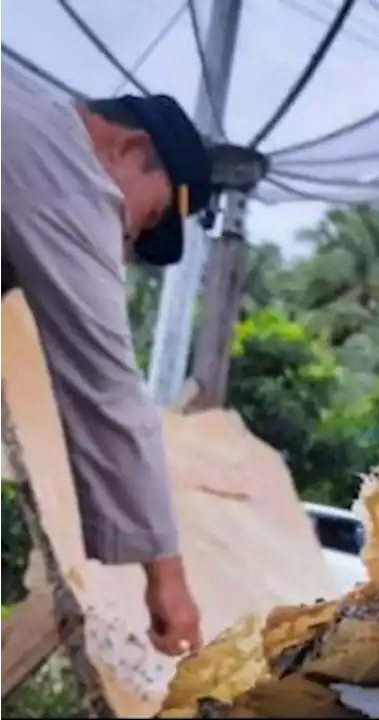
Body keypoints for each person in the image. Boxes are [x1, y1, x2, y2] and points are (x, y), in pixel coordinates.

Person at [0, 63, 209, 655]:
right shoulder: (67, 173)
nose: (120, 246)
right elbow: (107, 391)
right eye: (141, 220)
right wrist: (167, 581)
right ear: (127, 148)